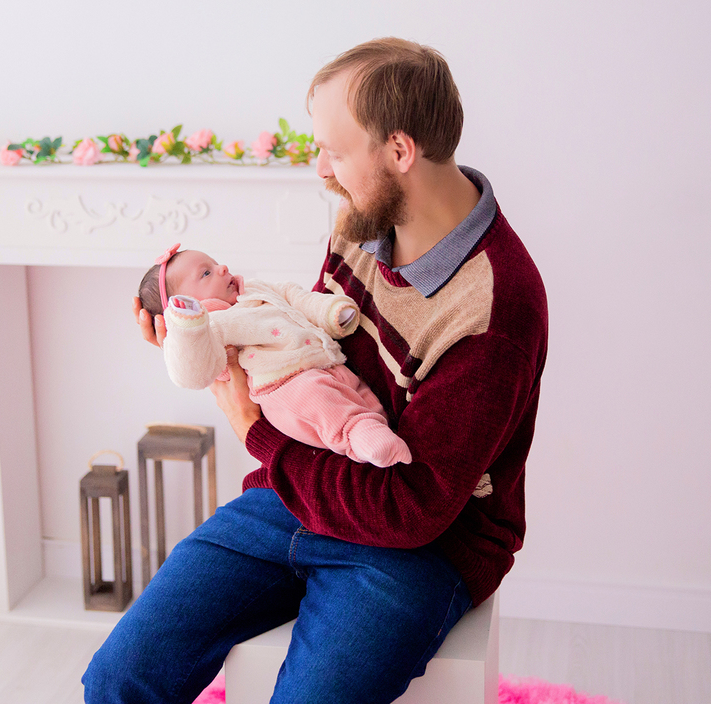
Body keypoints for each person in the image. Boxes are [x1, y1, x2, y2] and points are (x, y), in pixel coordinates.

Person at [83, 37, 548, 704]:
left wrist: (255, 432)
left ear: (399, 151)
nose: (321, 170)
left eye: (334, 150)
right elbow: (308, 355)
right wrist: (200, 341)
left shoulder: (494, 311)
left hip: (417, 545)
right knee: (117, 678)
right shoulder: (365, 218)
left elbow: (412, 509)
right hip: (298, 493)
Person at [138, 243, 412, 467]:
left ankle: (378, 433)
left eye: (215, 262)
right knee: (320, 401)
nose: (222, 268)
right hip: (286, 388)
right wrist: (187, 331)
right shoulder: (212, 327)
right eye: (206, 274)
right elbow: (194, 373)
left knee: (358, 392)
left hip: (325, 362)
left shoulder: (256, 289)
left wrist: (330, 312)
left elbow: (295, 296)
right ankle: (358, 435)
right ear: (186, 307)